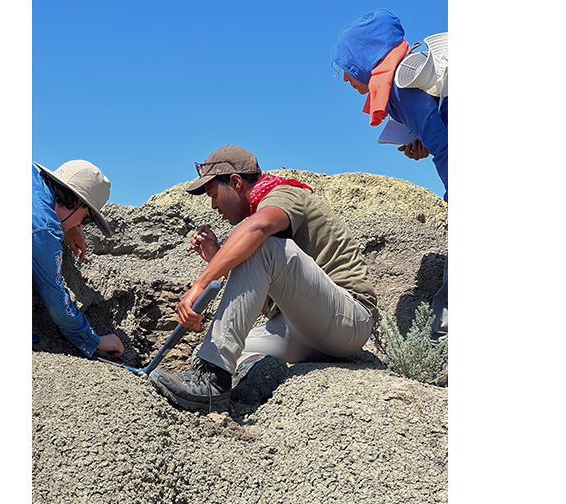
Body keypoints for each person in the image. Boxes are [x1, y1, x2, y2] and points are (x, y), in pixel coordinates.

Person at [148, 146, 379, 411]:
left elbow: (258, 228)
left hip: (349, 322)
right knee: (205, 352)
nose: (213, 206)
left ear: (235, 182)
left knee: (262, 245)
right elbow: (269, 307)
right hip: (304, 332)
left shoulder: (284, 194)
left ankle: (214, 382)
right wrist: (216, 258)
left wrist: (200, 284)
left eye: (213, 195)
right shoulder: (260, 223)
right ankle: (256, 376)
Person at [333, 8, 448, 342]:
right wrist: (424, 142)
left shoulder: (401, 84)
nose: (345, 78)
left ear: (367, 58)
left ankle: (442, 346)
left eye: (349, 66)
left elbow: (446, 146)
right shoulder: (406, 77)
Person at [32, 160, 124, 358]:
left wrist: (71, 226)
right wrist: (94, 340)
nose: (82, 225)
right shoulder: (44, 228)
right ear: (76, 203)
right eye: (87, 218)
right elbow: (56, 299)